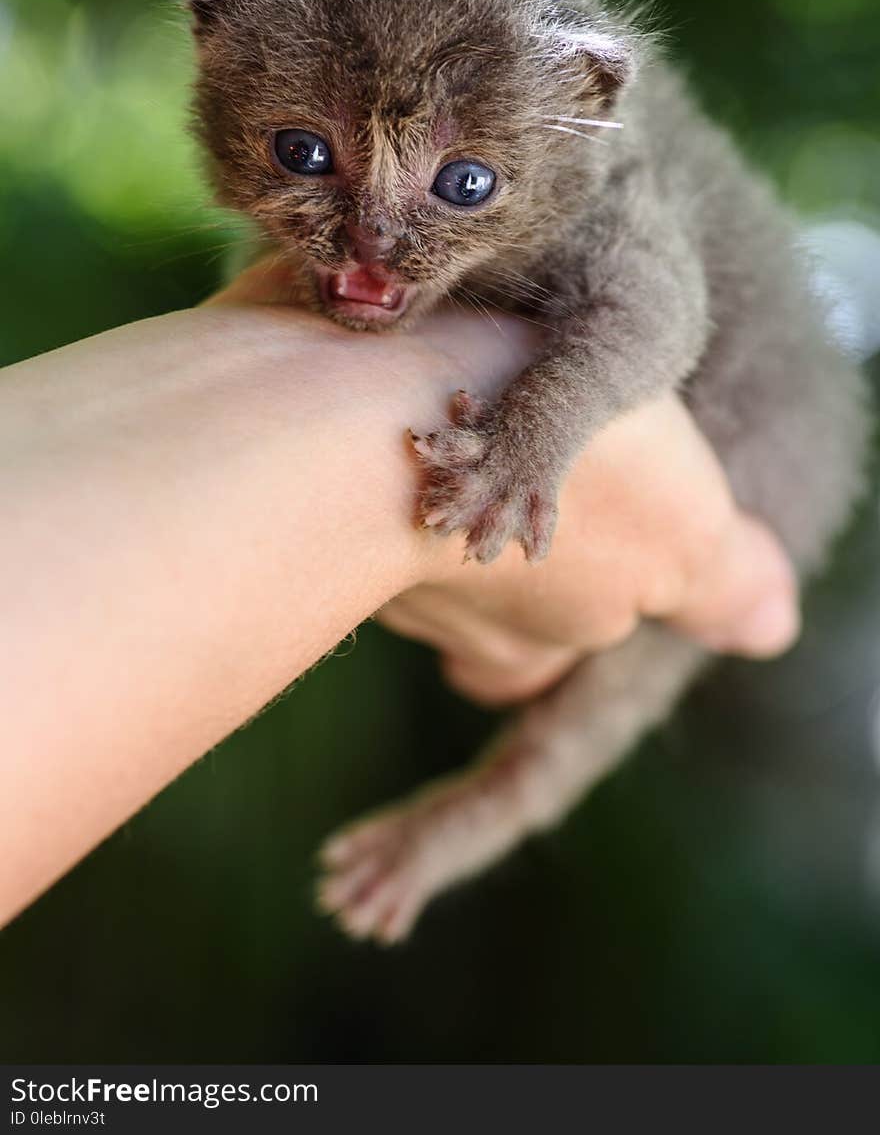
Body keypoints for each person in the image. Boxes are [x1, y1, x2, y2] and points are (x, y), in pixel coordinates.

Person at [0, 255, 797, 928]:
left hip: (728, 431)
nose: (371, 231)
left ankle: (495, 805)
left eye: (464, 183)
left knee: (613, 689)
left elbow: (651, 314)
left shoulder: (592, 189)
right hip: (639, 494)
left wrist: (525, 440)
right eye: (302, 155)